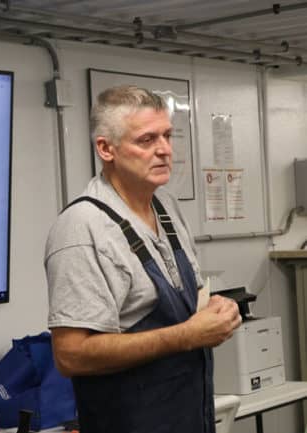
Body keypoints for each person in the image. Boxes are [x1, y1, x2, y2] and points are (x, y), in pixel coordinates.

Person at [44, 85, 242, 433]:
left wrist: (214, 311)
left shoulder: (166, 207)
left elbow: (186, 304)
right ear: (106, 148)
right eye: (146, 140)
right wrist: (186, 335)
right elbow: (71, 354)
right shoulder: (82, 228)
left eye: (167, 136)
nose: (165, 150)